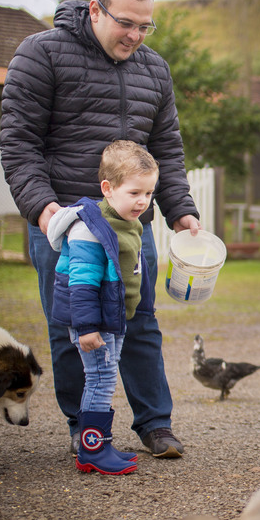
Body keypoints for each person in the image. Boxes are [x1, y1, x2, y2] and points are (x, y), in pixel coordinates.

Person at [0, 0, 200, 459]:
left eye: (145, 26)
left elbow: (167, 152)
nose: (135, 35)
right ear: (95, 10)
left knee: (141, 321)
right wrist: (43, 209)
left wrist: (181, 213)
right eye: (125, 23)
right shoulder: (40, 54)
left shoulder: (154, 70)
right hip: (66, 223)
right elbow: (19, 142)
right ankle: (83, 426)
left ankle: (155, 424)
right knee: (73, 327)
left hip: (133, 226)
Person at [48, 141, 158, 475]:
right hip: (92, 321)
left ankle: (100, 442)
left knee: (104, 378)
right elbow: (81, 285)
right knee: (99, 379)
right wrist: (85, 328)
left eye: (149, 193)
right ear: (107, 189)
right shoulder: (88, 230)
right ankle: (92, 449)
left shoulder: (126, 220)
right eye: (135, 192)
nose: (143, 201)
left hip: (112, 318)